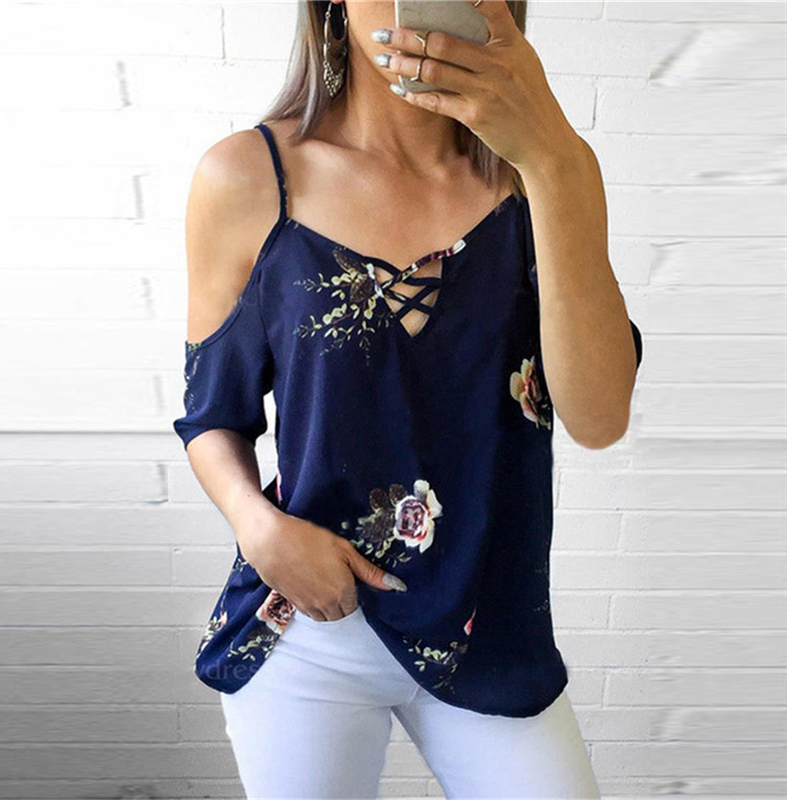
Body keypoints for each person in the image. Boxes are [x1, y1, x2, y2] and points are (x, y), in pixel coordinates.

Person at [173, 1, 643, 797]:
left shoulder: (548, 174)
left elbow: (599, 418)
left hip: (493, 630)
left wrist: (552, 157)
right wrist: (259, 527)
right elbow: (211, 415)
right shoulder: (248, 177)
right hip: (308, 626)